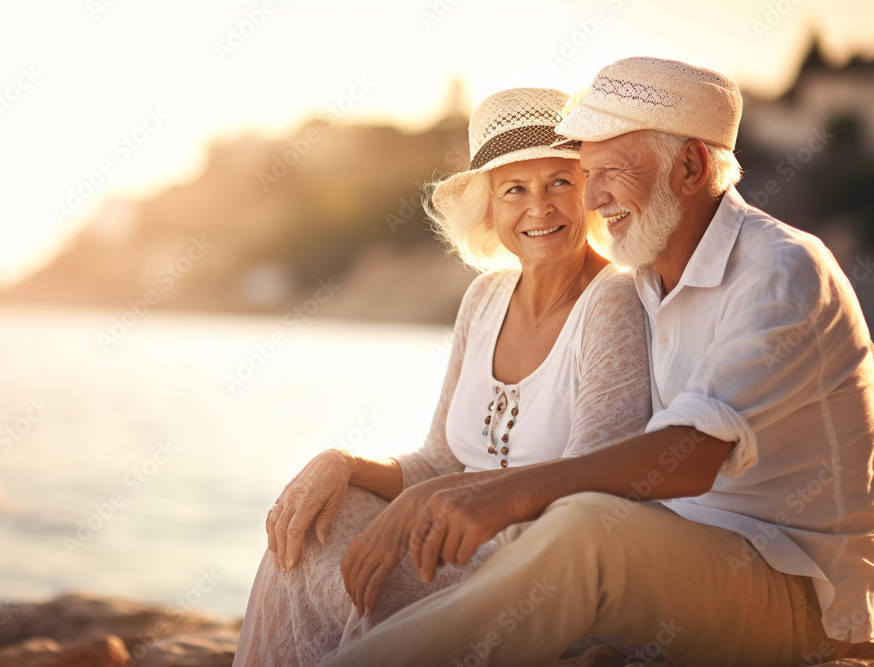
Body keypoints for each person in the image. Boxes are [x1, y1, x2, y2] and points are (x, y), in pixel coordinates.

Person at [321, 57, 874, 666]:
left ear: (689, 167)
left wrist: (502, 493)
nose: (593, 196)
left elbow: (690, 455)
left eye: (609, 171)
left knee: (584, 527)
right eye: (587, 173)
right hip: (682, 562)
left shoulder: (781, 270)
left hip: (797, 593)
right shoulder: (645, 280)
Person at [232, 88, 653, 666]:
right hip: (453, 541)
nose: (540, 207)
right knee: (314, 525)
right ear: (488, 207)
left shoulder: (615, 302)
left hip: (547, 570)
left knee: (366, 587)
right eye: (514, 189)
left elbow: (592, 491)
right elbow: (438, 461)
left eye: (561, 180)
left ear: (591, 190)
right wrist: (342, 463)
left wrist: (425, 503)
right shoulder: (484, 298)